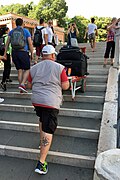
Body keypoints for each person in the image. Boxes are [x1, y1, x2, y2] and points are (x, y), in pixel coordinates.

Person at [27, 45, 69, 175]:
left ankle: (42, 143)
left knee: (42, 119)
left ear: (43, 55)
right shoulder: (59, 67)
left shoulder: (34, 68)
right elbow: (65, 86)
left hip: (37, 100)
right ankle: (41, 163)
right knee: (48, 129)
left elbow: (29, 85)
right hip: (50, 101)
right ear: (52, 55)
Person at [4, 18, 33, 93]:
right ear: (22, 23)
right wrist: (32, 53)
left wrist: (5, 53)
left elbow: (7, 43)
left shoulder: (12, 31)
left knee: (19, 70)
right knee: (27, 69)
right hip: (23, 52)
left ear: (16, 23)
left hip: (14, 53)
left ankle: (21, 87)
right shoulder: (25, 31)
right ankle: (23, 84)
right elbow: (30, 43)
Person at [1, 27, 12, 91]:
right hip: (6, 53)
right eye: (9, 30)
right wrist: (9, 54)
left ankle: (7, 78)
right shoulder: (7, 37)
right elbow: (8, 46)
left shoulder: (1, 37)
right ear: (6, 31)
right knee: (6, 67)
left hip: (2, 54)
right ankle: (3, 81)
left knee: (8, 66)